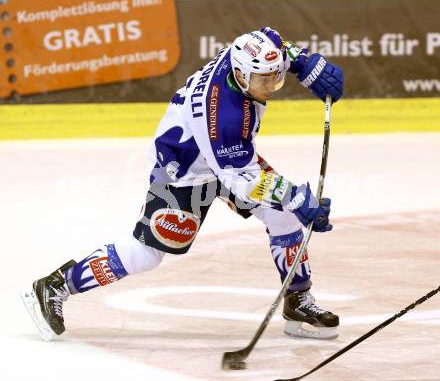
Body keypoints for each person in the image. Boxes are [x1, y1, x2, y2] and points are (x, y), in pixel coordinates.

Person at [21, 27, 344, 342]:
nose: (273, 85)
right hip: (184, 170)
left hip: (227, 159)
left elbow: (280, 48)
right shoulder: (224, 116)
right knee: (146, 254)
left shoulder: (253, 54)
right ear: (242, 76)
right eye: (265, 79)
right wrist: (297, 198)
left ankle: (297, 299)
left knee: (282, 216)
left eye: (277, 76)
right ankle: (56, 284)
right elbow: (242, 180)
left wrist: (306, 66)